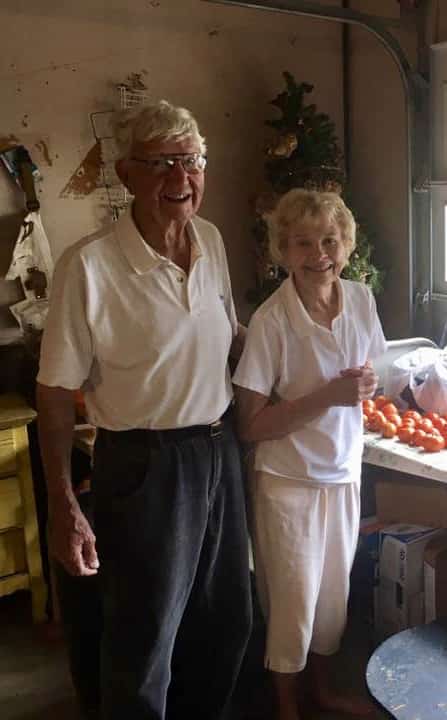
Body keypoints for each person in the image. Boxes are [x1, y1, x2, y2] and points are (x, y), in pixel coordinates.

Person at [36, 100, 252, 720]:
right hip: (144, 466)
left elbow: (228, 338)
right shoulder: (89, 266)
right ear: (126, 174)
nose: (180, 180)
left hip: (218, 449)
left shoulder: (210, 240)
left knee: (226, 620)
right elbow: (54, 391)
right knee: (144, 636)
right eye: (161, 165)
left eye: (191, 161)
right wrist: (63, 504)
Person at [233, 189, 386, 720]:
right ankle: (288, 709)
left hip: (343, 472)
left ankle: (321, 693)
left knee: (330, 601)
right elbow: (250, 423)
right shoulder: (272, 321)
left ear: (346, 245)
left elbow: (375, 375)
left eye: (329, 240)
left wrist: (368, 383)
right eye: (303, 243)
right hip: (288, 482)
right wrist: (328, 397)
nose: (318, 253)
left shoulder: (361, 299)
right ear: (283, 250)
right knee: (292, 602)